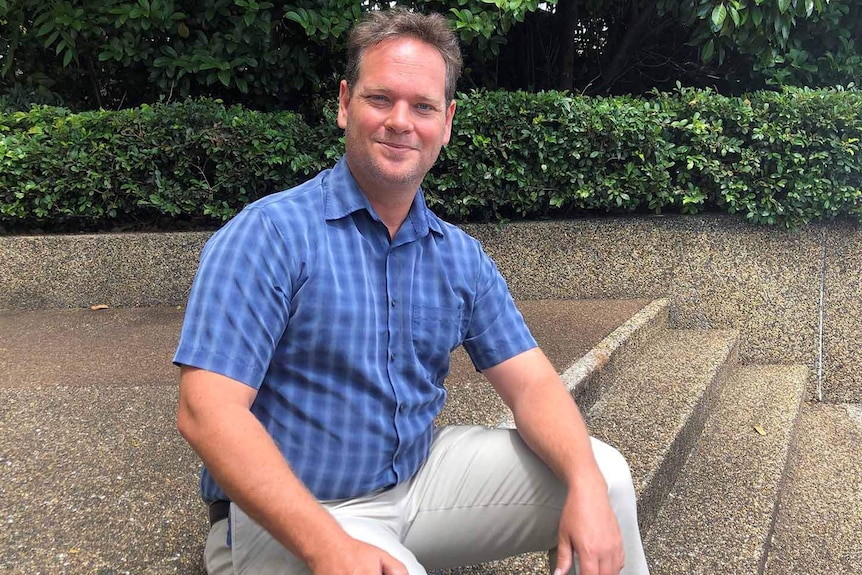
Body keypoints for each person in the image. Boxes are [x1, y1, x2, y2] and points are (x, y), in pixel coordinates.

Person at [174, 8, 649, 575]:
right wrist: (330, 546)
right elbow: (207, 411)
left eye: (422, 106)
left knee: (604, 476)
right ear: (345, 103)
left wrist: (584, 487)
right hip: (293, 513)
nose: (401, 121)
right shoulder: (268, 235)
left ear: (446, 122)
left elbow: (534, 386)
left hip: (416, 485)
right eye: (381, 99)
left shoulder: (458, 256)